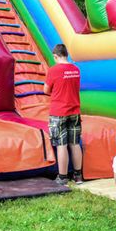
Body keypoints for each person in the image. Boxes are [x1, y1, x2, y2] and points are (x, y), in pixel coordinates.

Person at [44, 43, 83, 185]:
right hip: (75, 111)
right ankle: (78, 176)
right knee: (75, 143)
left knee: (61, 144)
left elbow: (46, 90)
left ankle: (62, 177)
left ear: (55, 56)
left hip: (58, 112)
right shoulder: (76, 69)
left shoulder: (53, 70)